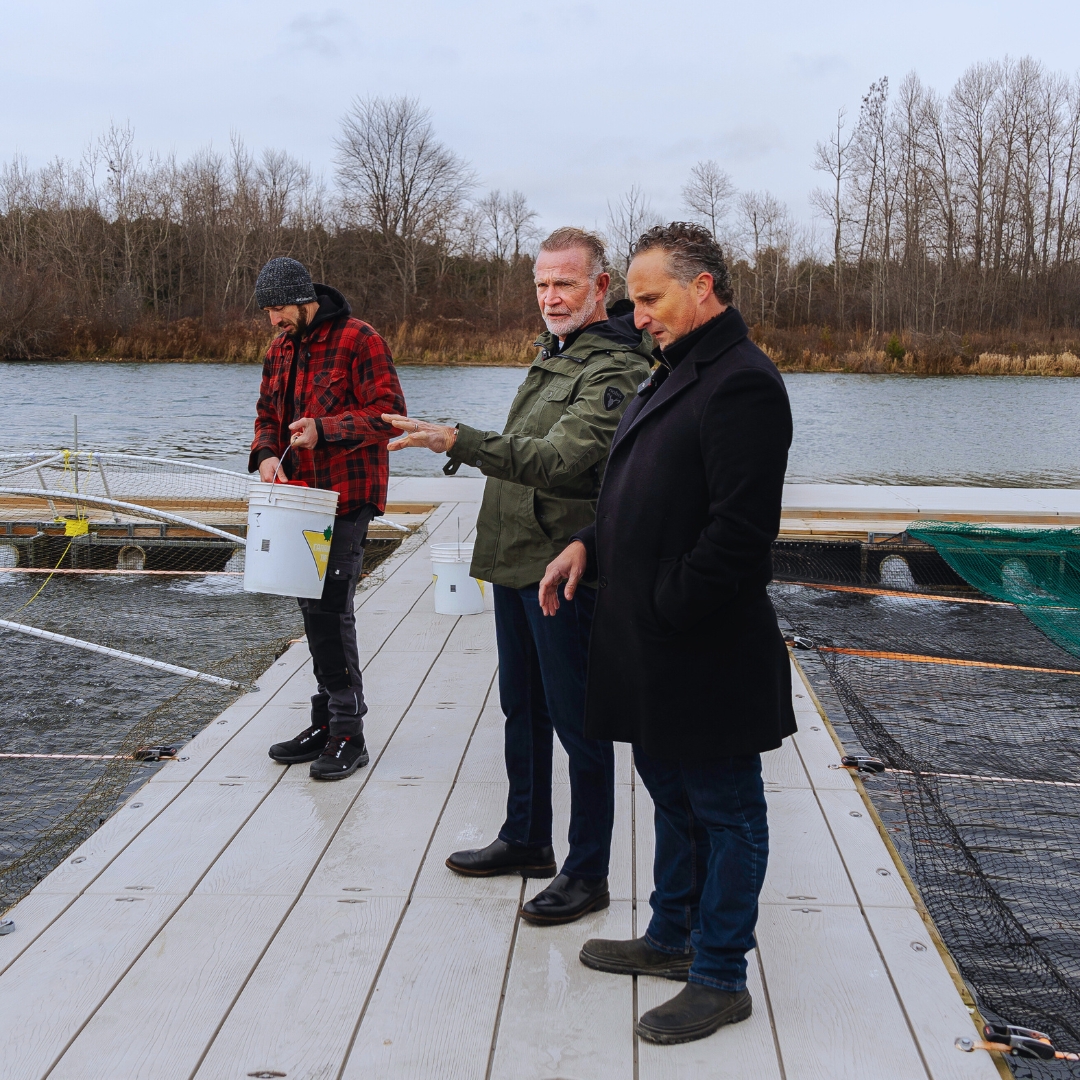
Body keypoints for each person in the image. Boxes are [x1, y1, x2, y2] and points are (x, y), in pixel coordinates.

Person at [538, 223, 796, 1043]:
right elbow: (636, 493)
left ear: (704, 288)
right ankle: (670, 933)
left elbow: (739, 536)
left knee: (725, 810)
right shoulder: (673, 372)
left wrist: (661, 607)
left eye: (650, 298)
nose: (637, 314)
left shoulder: (743, 383)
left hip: (703, 648)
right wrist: (589, 542)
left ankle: (720, 975)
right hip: (649, 643)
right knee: (675, 800)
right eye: (636, 300)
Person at [383, 228, 653, 925]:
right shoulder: (556, 353)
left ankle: (586, 871)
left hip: (563, 568)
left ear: (600, 288)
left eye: (565, 283)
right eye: (541, 283)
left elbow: (562, 461)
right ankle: (527, 838)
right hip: (515, 560)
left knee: (577, 722)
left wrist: (457, 439)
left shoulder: (614, 368)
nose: (550, 296)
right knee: (521, 710)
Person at [250, 257, 405, 781]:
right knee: (310, 605)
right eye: (267, 311)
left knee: (331, 604)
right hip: (296, 496)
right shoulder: (280, 348)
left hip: (348, 493)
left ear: (302, 297)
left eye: (277, 309)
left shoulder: (361, 339)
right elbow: (266, 415)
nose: (272, 320)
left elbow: (388, 415)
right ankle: (326, 720)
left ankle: (348, 733)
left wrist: (324, 428)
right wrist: (266, 454)